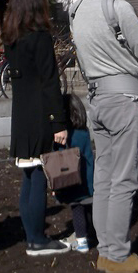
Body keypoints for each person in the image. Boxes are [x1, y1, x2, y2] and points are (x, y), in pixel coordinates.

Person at [70, 0, 138, 273]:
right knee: (124, 180)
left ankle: (106, 251)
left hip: (96, 100)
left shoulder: (76, 9)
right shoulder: (119, 6)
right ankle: (118, 256)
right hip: (123, 99)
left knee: (105, 179)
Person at [4, 0, 71, 256]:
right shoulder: (40, 36)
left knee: (29, 176)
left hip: (20, 115)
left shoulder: (11, 38)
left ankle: (32, 236)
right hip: (40, 114)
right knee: (41, 176)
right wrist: (59, 121)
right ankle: (38, 240)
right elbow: (49, 80)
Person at [54, 93, 95, 253]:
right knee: (90, 210)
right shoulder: (84, 132)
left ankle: (82, 241)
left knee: (77, 211)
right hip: (89, 180)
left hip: (74, 183)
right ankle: (93, 234)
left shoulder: (66, 137)